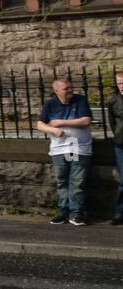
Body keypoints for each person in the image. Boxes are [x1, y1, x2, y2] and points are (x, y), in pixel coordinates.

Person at [37, 76, 94, 226]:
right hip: (59, 148)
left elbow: (86, 120)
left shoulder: (80, 100)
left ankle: (76, 213)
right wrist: (52, 130)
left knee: (77, 181)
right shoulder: (50, 104)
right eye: (66, 88)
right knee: (62, 180)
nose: (70, 90)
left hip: (76, 146)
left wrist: (62, 122)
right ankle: (63, 211)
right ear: (56, 91)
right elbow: (40, 125)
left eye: (70, 87)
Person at [110, 72, 123, 227]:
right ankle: (120, 212)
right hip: (121, 143)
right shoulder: (114, 100)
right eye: (119, 83)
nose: (122, 86)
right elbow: (112, 122)